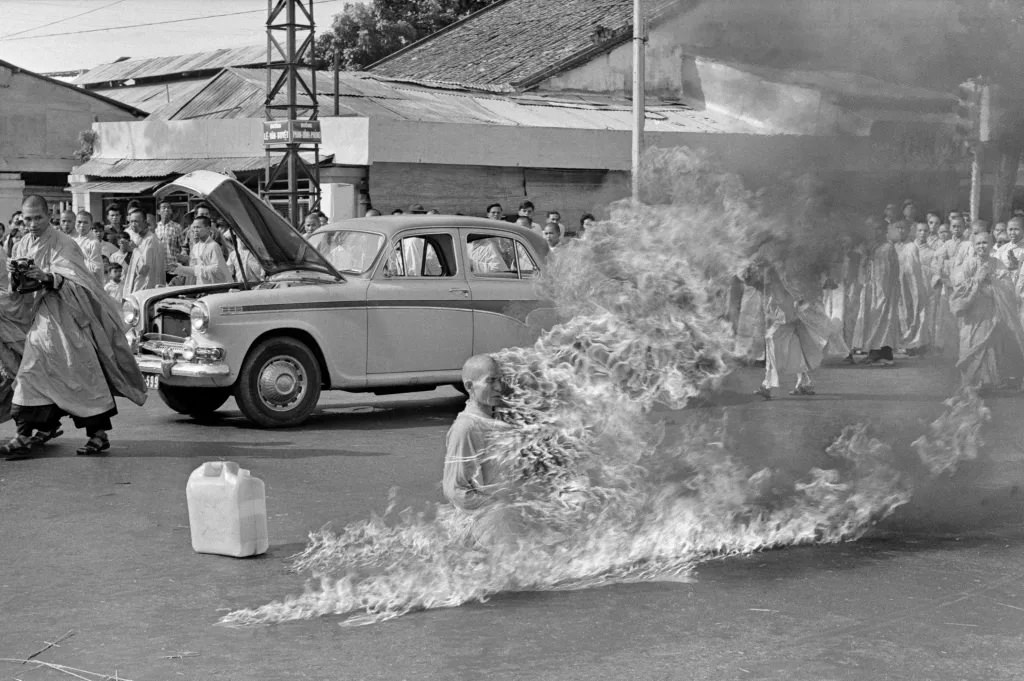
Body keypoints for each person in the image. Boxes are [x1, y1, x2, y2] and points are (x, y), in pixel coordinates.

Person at [0, 195, 146, 459]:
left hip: (66, 319)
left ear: (49, 217)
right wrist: (16, 277)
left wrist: (48, 277)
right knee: (30, 374)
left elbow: (80, 281)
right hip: (39, 321)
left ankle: (98, 435)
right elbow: (18, 290)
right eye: (27, 219)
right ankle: (25, 434)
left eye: (38, 218)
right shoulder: (21, 243)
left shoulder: (64, 243)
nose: (32, 224)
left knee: (81, 376)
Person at [949, 232, 1024, 390]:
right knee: (971, 341)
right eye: (978, 243)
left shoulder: (997, 263)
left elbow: (1007, 286)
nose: (982, 246)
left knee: (989, 343)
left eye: (985, 243)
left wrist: (993, 284)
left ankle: (987, 380)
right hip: (973, 311)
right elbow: (959, 287)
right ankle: (971, 380)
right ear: (974, 246)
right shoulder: (968, 264)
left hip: (991, 310)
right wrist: (977, 280)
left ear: (991, 245)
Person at [746, 263, 832, 399]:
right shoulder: (775, 271)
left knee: (772, 341)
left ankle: (767, 386)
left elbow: (787, 293)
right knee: (794, 348)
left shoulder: (776, 271)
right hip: (788, 316)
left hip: (786, 317)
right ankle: (804, 383)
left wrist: (798, 303)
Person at [443, 354, 512, 512]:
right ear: (469, 386)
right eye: (490, 381)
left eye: (500, 380)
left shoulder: (496, 418)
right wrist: (499, 508)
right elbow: (455, 491)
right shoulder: (467, 427)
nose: (499, 388)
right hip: (490, 525)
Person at [852, 218, 900, 365]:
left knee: (883, 320)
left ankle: (881, 351)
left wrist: (883, 292)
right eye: (873, 229)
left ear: (884, 231)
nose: (875, 232)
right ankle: (875, 350)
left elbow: (889, 272)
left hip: (883, 290)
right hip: (871, 289)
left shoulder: (887, 248)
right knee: (871, 318)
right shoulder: (871, 248)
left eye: (879, 229)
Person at [171, 215, 232, 286]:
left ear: (208, 229)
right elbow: (193, 269)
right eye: (194, 227)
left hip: (214, 286)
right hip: (200, 285)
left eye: (198, 227)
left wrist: (197, 269)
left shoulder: (213, 246)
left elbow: (216, 270)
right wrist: (179, 269)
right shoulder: (195, 247)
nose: (195, 230)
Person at [121, 207, 166, 295]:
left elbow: (144, 269)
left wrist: (134, 250)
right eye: (131, 221)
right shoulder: (138, 237)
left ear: (145, 222)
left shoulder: (151, 240)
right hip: (137, 285)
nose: (133, 224)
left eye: (136, 221)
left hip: (146, 287)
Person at [154, 199, 183, 283]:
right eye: (163, 207)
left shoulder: (177, 227)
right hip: (158, 267)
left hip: (173, 267)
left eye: (168, 208)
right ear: (158, 211)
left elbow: (183, 246)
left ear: (171, 211)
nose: (166, 210)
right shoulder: (155, 228)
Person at [73, 210, 104, 285]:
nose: (82, 225)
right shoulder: (74, 240)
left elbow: (96, 268)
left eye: (85, 222)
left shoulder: (93, 243)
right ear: (75, 223)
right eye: (79, 222)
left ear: (91, 225)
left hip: (89, 282)